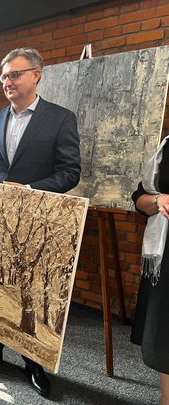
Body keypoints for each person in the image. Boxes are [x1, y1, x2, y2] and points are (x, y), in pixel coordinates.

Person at [0, 47, 81, 397]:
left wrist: (29, 190)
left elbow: (70, 172)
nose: (7, 81)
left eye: (14, 74)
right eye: (4, 76)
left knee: (30, 291)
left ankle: (33, 361)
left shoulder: (60, 118)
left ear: (36, 75)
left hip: (36, 222)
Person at [131, 137, 169, 405]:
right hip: (165, 257)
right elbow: (139, 198)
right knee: (165, 336)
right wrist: (159, 200)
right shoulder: (167, 147)